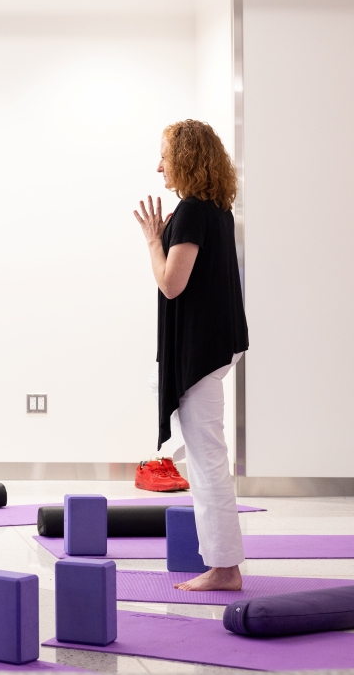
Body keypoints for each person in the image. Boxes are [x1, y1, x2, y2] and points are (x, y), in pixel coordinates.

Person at [133, 119, 249, 591]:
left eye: (164, 155)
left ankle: (225, 569)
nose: (158, 165)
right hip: (212, 347)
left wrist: (152, 241)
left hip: (202, 350)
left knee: (207, 460)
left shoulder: (195, 211)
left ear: (184, 157)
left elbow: (171, 283)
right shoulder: (215, 209)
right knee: (203, 455)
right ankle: (223, 564)